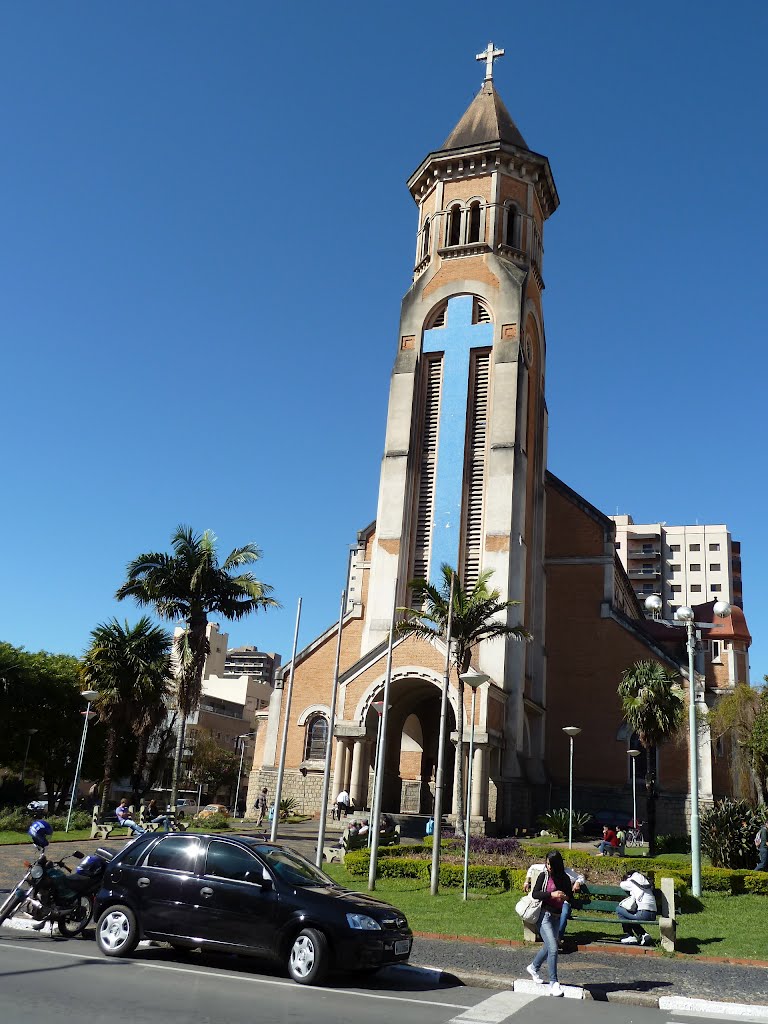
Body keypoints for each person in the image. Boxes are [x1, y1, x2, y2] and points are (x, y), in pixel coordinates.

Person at [526, 851, 573, 997]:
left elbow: (570, 896)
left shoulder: (564, 878)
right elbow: (535, 894)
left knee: (548, 946)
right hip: (544, 915)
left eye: (550, 864)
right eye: (546, 863)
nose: (548, 866)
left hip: (557, 916)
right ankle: (554, 983)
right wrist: (551, 894)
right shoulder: (544, 875)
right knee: (553, 947)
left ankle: (534, 967)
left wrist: (565, 896)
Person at [524, 861, 584, 950]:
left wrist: (578, 882)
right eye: (548, 864)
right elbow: (532, 867)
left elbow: (581, 877)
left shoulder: (567, 873)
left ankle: (557, 937)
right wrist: (526, 881)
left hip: (563, 902)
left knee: (564, 913)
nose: (550, 866)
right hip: (548, 903)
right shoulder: (545, 871)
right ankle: (552, 941)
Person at [617, 870, 657, 946]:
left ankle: (630, 935)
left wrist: (627, 879)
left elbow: (622, 885)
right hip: (653, 914)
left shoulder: (632, 881)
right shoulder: (646, 882)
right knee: (631, 916)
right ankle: (644, 935)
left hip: (643, 914)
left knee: (619, 909)